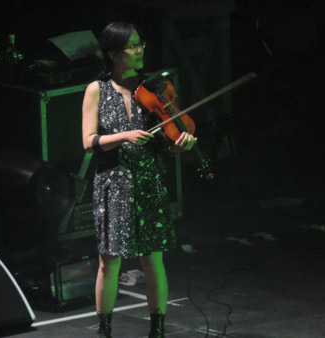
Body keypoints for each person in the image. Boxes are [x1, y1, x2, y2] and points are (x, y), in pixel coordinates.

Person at [82, 22, 196, 338]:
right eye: (132, 45)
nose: (140, 49)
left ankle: (157, 329)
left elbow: (168, 141)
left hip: (148, 180)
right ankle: (104, 330)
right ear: (113, 53)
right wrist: (124, 135)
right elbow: (88, 141)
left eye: (140, 43)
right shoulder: (97, 90)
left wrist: (180, 143)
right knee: (109, 262)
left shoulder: (153, 90)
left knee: (153, 260)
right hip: (113, 184)